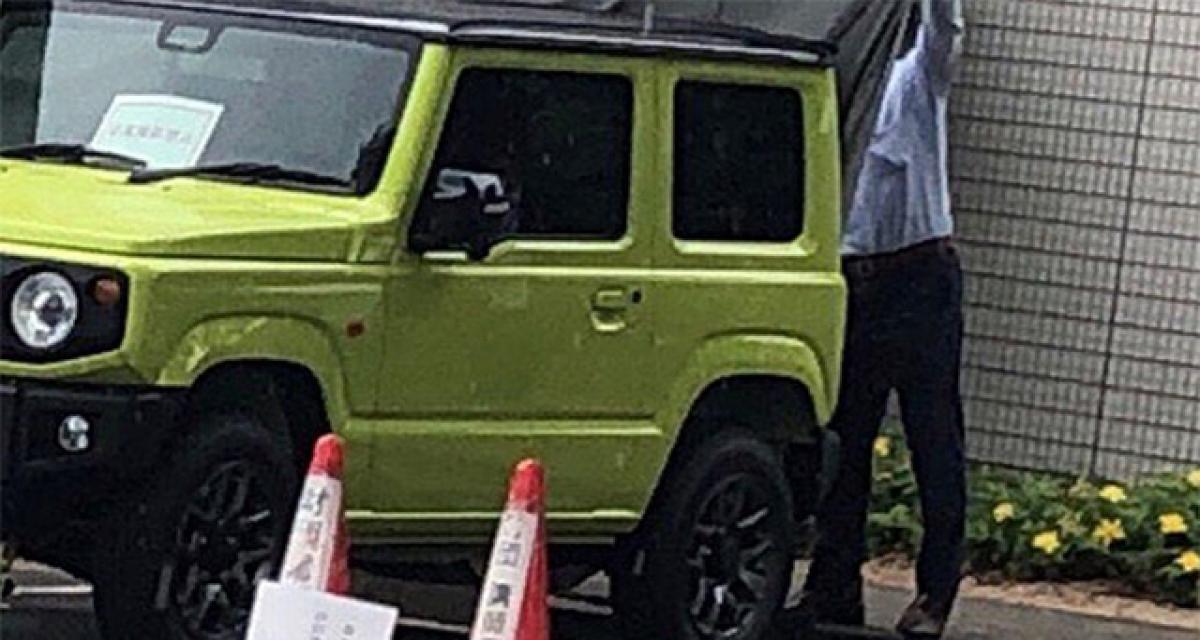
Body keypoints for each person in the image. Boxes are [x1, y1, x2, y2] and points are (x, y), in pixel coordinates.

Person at [798, 0, 966, 638]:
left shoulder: (916, 76)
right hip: (853, 281)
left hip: (919, 275)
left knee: (934, 439)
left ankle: (936, 592)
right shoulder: (833, 80)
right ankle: (833, 587)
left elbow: (945, 30)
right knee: (845, 439)